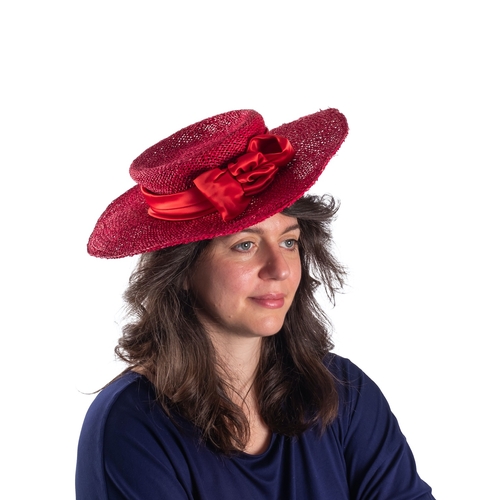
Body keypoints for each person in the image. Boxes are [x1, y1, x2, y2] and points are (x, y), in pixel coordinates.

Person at [76, 108, 435, 499]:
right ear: (180, 269)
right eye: (244, 245)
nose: (279, 269)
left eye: (289, 242)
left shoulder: (343, 393)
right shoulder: (131, 425)